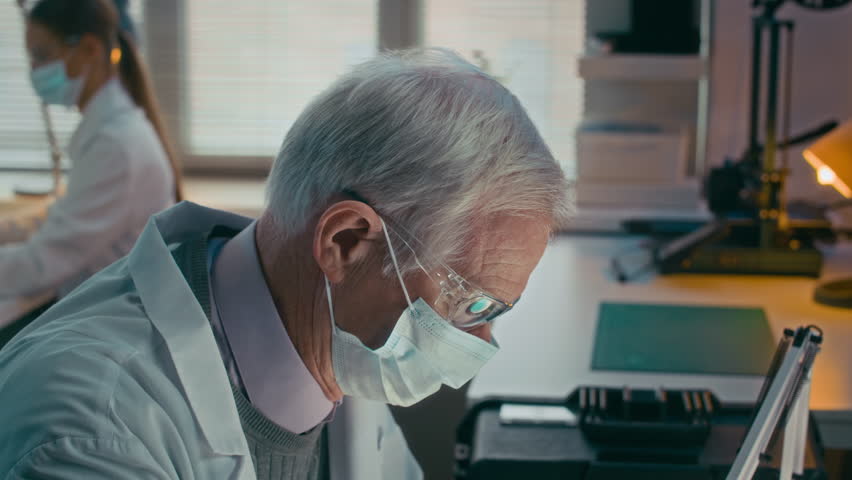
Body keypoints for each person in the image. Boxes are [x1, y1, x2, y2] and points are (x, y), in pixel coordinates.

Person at [0, 49, 570, 479]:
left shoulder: (342, 342)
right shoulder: (93, 432)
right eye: (471, 302)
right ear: (346, 243)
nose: (480, 340)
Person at [0, 0, 181, 305]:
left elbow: (47, 260)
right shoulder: (113, 129)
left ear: (90, 49)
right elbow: (63, 223)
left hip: (108, 317)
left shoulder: (115, 145)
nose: (34, 70)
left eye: (42, 56)